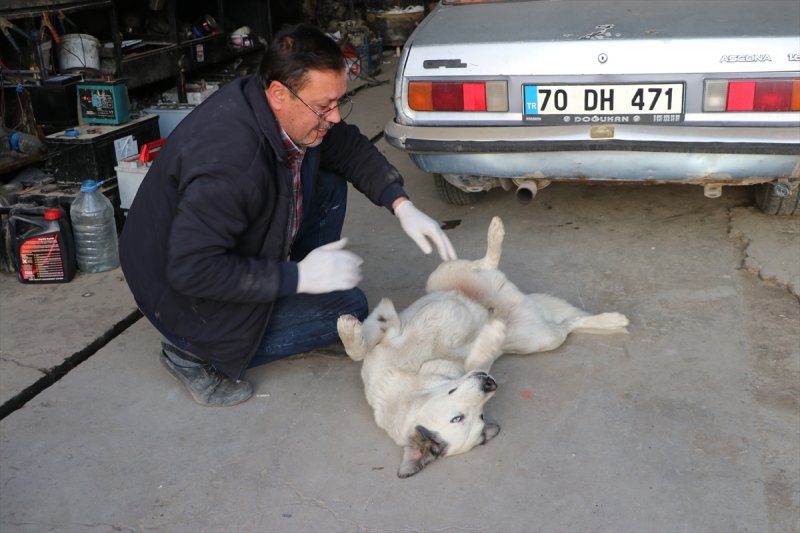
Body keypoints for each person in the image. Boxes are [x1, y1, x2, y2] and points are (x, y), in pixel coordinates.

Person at [119, 22, 456, 407]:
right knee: (347, 310)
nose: (333, 116)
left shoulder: (269, 104)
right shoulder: (231, 165)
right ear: (279, 93)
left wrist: (401, 204)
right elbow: (192, 270)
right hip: (183, 298)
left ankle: (296, 294)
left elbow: (346, 146)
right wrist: (298, 276)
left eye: (337, 103)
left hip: (205, 253)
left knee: (327, 175)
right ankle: (191, 352)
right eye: (324, 106)